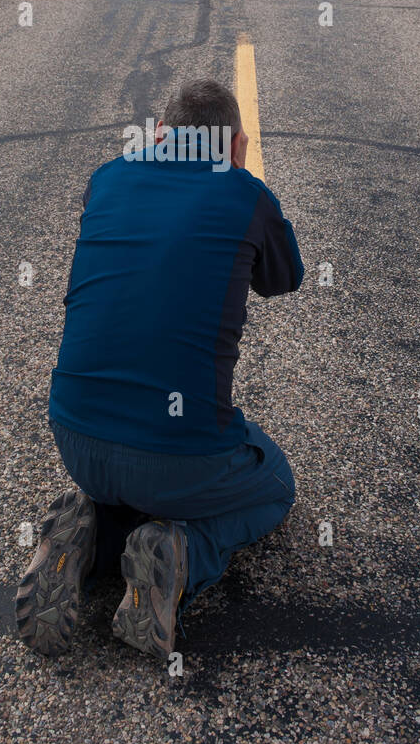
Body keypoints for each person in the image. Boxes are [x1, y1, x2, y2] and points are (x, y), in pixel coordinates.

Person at [16, 77, 303, 659]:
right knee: (275, 484)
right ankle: (181, 556)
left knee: (135, 470)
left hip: (75, 440)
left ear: (160, 135)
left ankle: (90, 538)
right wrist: (241, 176)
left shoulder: (107, 178)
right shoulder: (245, 193)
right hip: (180, 456)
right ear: (234, 143)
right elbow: (283, 279)